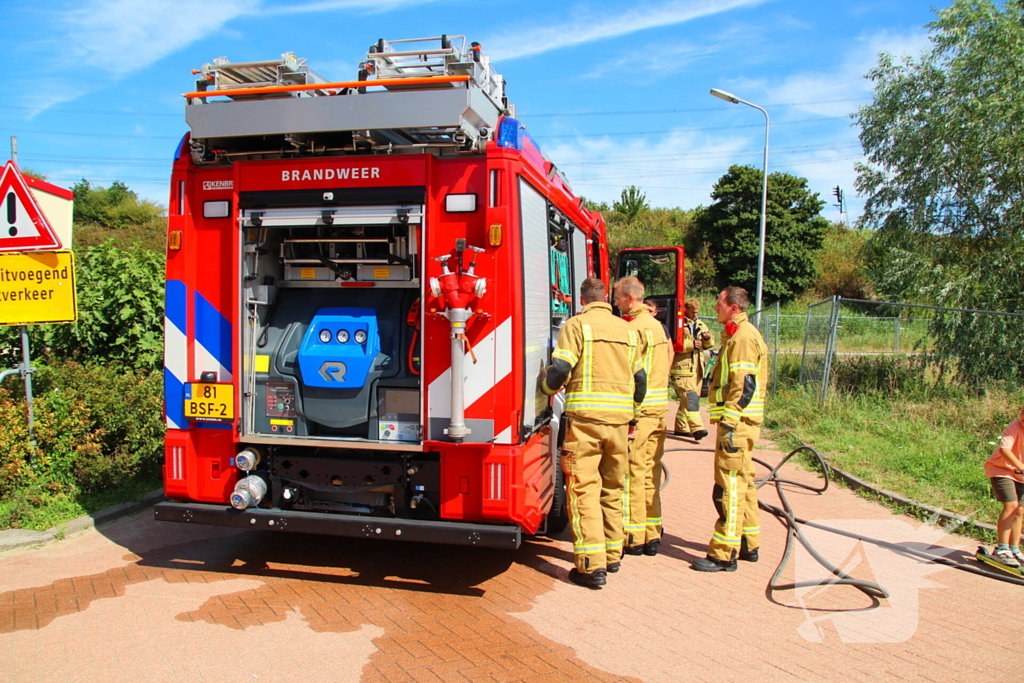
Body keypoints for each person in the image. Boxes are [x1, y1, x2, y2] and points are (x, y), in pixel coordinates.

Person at [541, 277, 647, 589]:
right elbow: (640, 381)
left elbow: (560, 370)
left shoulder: (576, 326)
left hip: (586, 423)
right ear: (607, 299)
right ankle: (613, 555)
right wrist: (633, 417)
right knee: (612, 489)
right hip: (619, 423)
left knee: (583, 490)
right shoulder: (629, 330)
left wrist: (545, 387)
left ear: (582, 300)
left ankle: (590, 565)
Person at [692, 286, 767, 573]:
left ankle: (724, 554)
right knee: (744, 485)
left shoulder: (743, 338)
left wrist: (730, 421)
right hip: (744, 424)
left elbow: (744, 384)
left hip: (738, 426)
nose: (716, 308)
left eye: (720, 303)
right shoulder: (740, 334)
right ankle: (749, 543)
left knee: (728, 489)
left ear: (734, 307)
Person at [616, 279, 670, 556]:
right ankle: (652, 532)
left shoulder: (633, 329)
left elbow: (632, 374)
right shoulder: (658, 327)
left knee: (633, 472)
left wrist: (631, 415)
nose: (615, 303)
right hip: (660, 410)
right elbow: (670, 358)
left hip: (642, 411)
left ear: (629, 298)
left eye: (617, 298)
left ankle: (633, 535)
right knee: (651, 471)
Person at [984, 405, 1024, 567]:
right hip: (1001, 469)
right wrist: (1020, 467)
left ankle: (1014, 549)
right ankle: (1002, 549)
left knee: (1020, 510)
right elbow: (1005, 450)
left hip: (1019, 475)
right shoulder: (1014, 427)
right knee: (1011, 505)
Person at [671, 299, 716, 440]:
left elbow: (710, 345)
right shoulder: (677, 324)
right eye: (693, 312)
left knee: (688, 399)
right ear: (685, 310)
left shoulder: (701, 325)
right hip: (682, 369)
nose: (695, 315)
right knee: (690, 399)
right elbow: (672, 344)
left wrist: (707, 339)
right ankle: (698, 428)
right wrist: (691, 344)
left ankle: (681, 427)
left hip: (698, 368)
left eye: (697, 313)